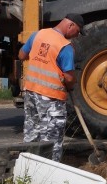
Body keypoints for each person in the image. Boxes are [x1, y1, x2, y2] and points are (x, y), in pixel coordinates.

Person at [18, 13, 85, 162]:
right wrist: (71, 82)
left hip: (31, 93)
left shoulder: (38, 34)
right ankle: (50, 174)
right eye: (78, 31)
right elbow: (68, 78)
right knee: (52, 141)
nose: (77, 35)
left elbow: (22, 55)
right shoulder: (65, 46)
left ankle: (28, 169)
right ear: (70, 25)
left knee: (32, 133)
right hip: (51, 98)